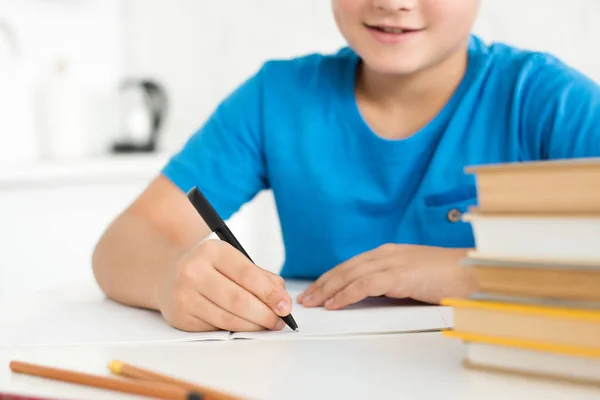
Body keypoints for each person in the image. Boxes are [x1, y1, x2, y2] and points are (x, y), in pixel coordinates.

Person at [92, 0, 600, 333]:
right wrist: (169, 278)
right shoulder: (278, 98)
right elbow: (125, 242)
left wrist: (476, 272)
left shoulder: (546, 100)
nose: (393, 2)